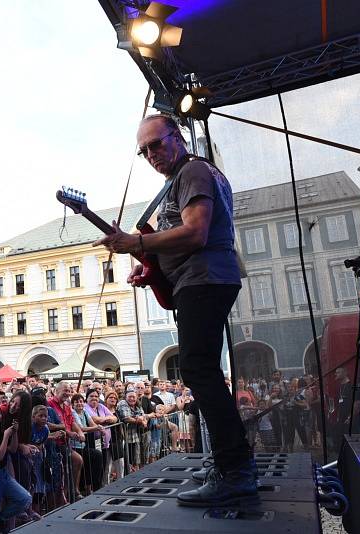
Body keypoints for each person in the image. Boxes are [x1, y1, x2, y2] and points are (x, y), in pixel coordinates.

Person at [94, 113, 255, 506]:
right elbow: (180, 241)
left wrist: (139, 244)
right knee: (203, 371)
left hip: (205, 278)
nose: (151, 154)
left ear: (177, 136)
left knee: (199, 370)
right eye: (144, 150)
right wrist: (150, 269)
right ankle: (228, 462)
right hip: (200, 279)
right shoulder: (185, 179)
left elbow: (196, 232)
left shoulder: (193, 172)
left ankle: (234, 470)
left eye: (157, 143)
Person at [0, 402, 33, 532]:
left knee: (25, 498)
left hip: (4, 473)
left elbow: (13, 448)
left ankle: (2, 518)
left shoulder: (0, 431)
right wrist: (6, 436)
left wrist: (14, 433)